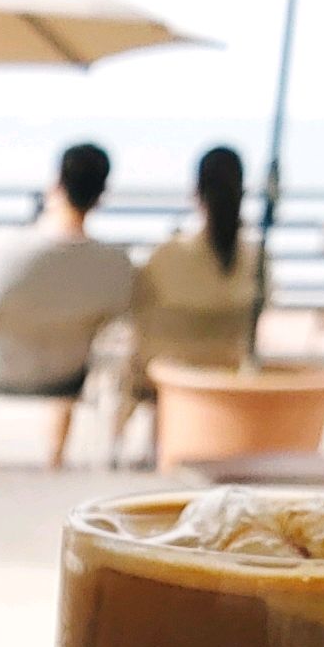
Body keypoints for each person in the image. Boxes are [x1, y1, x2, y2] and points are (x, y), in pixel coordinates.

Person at [0, 142, 133, 469]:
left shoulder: (4, 251)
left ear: (56, 187)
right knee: (70, 337)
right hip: (72, 373)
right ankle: (55, 461)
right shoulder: (112, 264)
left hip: (0, 369)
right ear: (101, 195)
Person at [123, 145, 257, 437]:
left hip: (164, 374)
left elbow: (137, 309)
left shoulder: (166, 255)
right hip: (226, 368)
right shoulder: (256, 261)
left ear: (196, 192)